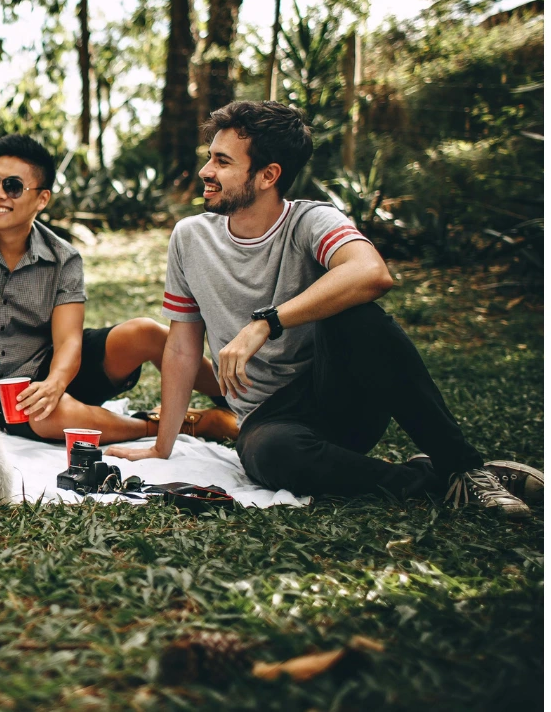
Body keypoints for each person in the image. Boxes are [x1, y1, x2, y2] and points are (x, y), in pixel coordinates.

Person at [108, 100, 542, 519]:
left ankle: (463, 466)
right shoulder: (190, 238)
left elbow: (372, 274)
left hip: (340, 395)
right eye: (210, 157)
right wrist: (161, 447)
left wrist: (267, 322)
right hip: (268, 421)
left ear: (268, 175)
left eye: (222, 161)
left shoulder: (311, 221)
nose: (206, 171)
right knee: (272, 456)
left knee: (358, 315)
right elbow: (183, 348)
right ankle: (435, 478)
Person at [0, 133, 238, 444]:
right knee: (46, 416)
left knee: (146, 332)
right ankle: (178, 424)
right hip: (2, 392)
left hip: (61, 367)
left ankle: (243, 404)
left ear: (42, 198)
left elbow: (69, 340)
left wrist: (55, 383)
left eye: (12, 186)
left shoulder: (63, 257)